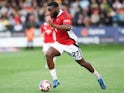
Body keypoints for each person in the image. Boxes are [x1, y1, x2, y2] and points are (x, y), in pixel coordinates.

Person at [46, 2, 106, 89]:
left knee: (83, 63)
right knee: (48, 54)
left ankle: (99, 77)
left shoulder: (65, 15)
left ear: (56, 8)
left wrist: (53, 25)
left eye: (50, 10)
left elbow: (67, 27)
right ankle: (55, 80)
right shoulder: (53, 16)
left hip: (70, 44)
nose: (49, 13)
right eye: (48, 11)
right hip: (59, 43)